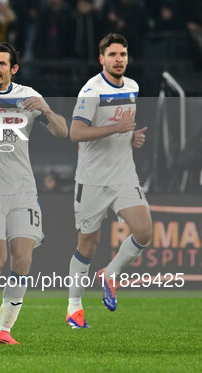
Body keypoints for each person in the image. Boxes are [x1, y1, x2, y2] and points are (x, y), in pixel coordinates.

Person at [0, 42, 68, 344]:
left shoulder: (27, 97)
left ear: (13, 68)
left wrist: (45, 110)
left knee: (22, 261)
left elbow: (62, 131)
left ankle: (3, 330)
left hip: (22, 190)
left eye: (1, 64)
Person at [66, 33, 151, 329]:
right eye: (113, 55)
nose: (119, 60)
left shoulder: (132, 87)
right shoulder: (91, 90)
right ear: (101, 59)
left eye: (123, 55)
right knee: (87, 245)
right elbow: (75, 133)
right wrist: (117, 128)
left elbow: (123, 132)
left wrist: (132, 137)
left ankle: (110, 273)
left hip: (124, 176)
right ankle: (74, 308)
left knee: (144, 232)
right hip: (92, 180)